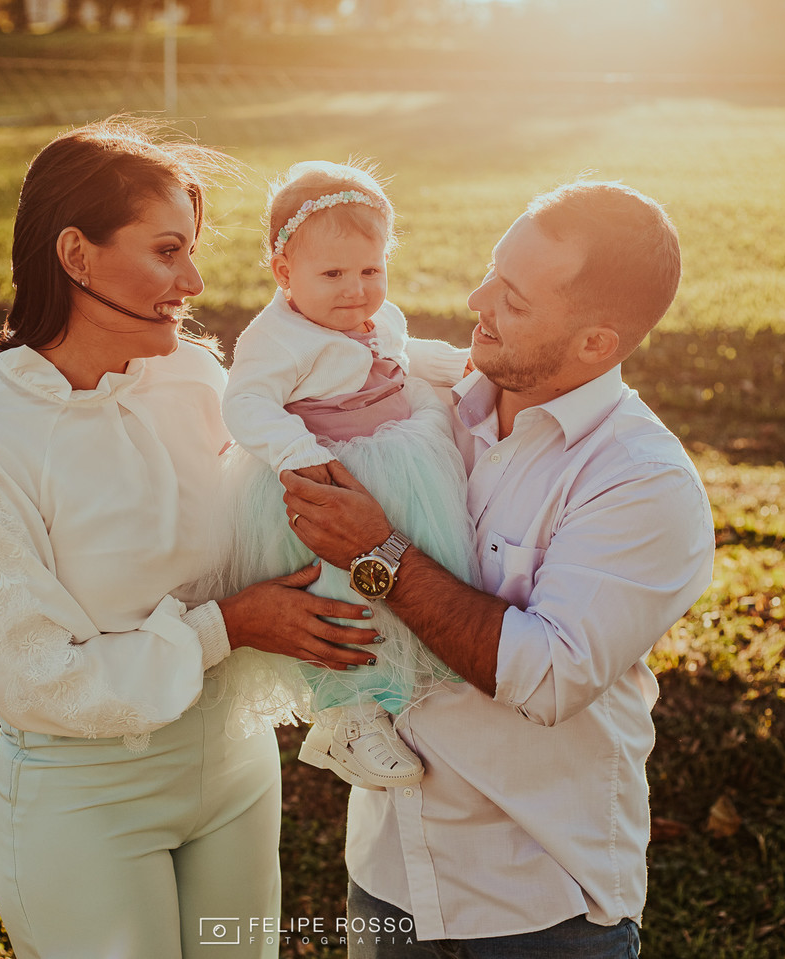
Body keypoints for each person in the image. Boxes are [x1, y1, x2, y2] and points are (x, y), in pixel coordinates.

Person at [0, 120, 380, 959]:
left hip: (238, 769)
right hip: (89, 795)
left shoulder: (201, 381)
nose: (195, 280)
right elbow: (34, 680)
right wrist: (229, 626)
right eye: (168, 251)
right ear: (76, 255)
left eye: (192, 251)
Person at [282, 180, 717, 958]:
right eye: (492, 270)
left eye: (512, 298)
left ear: (595, 344)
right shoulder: (418, 402)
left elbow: (547, 677)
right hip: (387, 875)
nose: (477, 298)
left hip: (539, 905)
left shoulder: (642, 482)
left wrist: (378, 554)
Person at [212, 160, 477, 791]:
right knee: (339, 594)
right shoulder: (275, 338)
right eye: (332, 274)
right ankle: (345, 716)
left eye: (371, 270)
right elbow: (244, 403)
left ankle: (412, 677)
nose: (356, 289)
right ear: (284, 273)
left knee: (408, 569)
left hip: (397, 459)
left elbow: (403, 354)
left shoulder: (375, 316)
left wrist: (470, 364)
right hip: (321, 476)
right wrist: (298, 454)